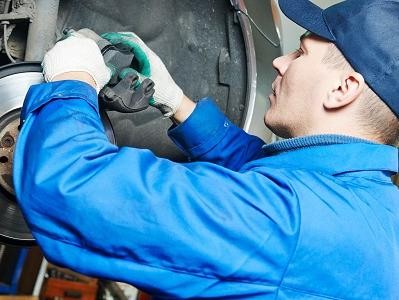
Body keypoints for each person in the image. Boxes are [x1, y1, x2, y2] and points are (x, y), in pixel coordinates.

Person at [13, 0, 399, 299]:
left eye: (300, 54)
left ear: (343, 88)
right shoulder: (369, 205)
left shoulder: (293, 223)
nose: (281, 62)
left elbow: (71, 187)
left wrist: (71, 79)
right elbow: (262, 174)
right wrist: (175, 101)